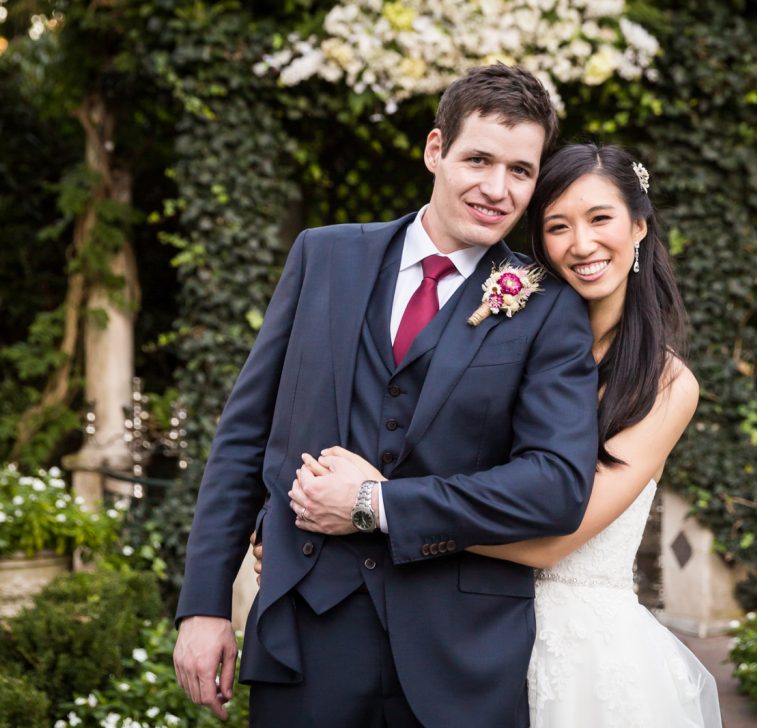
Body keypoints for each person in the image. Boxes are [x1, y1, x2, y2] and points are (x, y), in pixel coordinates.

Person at [172, 64, 601, 728]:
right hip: (307, 635)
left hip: (461, 651)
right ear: (435, 150)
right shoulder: (323, 257)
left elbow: (555, 486)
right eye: (478, 159)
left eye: (520, 170)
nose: (497, 188)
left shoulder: (548, 307)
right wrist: (204, 607)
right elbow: (244, 437)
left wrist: (377, 505)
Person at [282, 143, 723, 726]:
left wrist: (373, 509)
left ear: (639, 225)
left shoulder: (664, 383)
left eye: (600, 219)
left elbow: (557, 530)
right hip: (460, 627)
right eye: (558, 227)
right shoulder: (498, 327)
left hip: (578, 645)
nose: (582, 244)